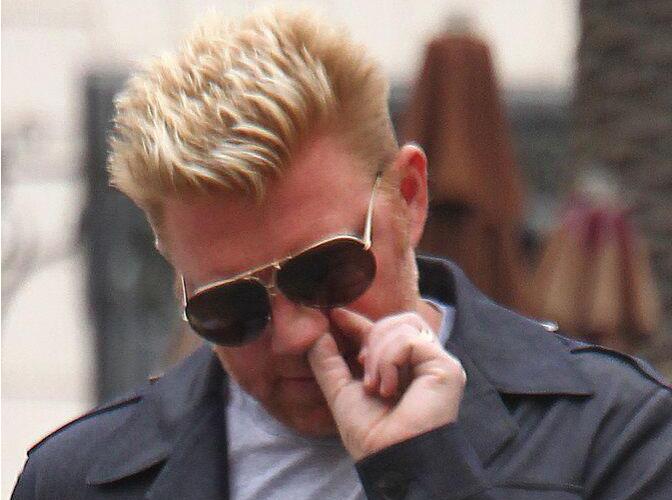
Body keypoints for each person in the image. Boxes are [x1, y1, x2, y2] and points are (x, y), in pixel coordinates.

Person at [12, 8, 672, 500]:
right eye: (232, 306)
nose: (296, 336)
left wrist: (422, 471)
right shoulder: (79, 480)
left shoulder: (615, 435)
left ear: (409, 198)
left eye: (324, 270)